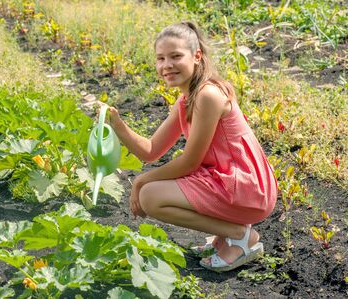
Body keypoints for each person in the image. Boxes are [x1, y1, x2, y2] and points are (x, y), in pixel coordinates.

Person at [105, 21, 277, 272]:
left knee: (151, 196)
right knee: (151, 190)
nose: (167, 66)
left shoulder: (208, 95)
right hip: (228, 181)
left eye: (176, 56)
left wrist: (141, 181)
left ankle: (239, 236)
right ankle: (225, 238)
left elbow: (190, 162)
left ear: (197, 56)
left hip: (247, 188)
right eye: (160, 58)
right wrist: (118, 125)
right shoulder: (187, 100)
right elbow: (151, 150)